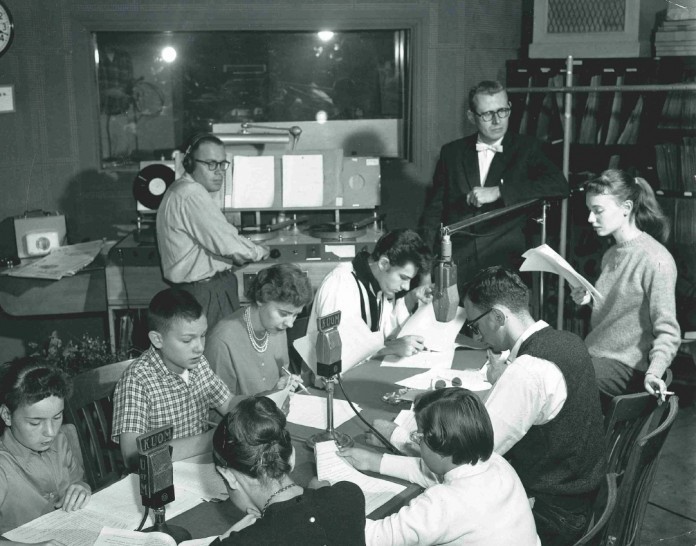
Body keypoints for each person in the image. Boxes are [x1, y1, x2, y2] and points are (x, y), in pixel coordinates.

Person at [374, 267, 605, 545]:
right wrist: (502, 383)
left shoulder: (527, 372)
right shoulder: (568, 341)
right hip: (580, 496)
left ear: (498, 317)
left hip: (552, 516)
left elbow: (468, 456)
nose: (479, 336)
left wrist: (398, 435)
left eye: (475, 325)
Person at [339, 388, 539, 546]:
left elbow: (374, 538)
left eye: (418, 437)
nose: (415, 443)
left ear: (439, 445)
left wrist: (327, 501)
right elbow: (431, 473)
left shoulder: (444, 505)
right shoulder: (495, 463)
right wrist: (375, 461)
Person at [420, 80, 569, 288]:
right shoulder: (451, 153)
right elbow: (433, 215)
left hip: (505, 265)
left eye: (502, 111)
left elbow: (560, 185)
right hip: (458, 264)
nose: (497, 120)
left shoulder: (528, 148)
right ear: (471, 117)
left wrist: (500, 191)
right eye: (487, 114)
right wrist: (425, 269)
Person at [571, 169, 680, 400]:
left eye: (598, 211)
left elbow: (668, 331)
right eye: (590, 210)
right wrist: (590, 300)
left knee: (562, 381)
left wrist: (654, 373)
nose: (591, 219)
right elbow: (622, 312)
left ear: (626, 208)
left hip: (629, 368)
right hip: (597, 358)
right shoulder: (611, 254)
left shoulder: (656, 259)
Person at [209, 396, 366, 545]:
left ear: (228, 476)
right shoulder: (350, 495)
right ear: (291, 457)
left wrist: (227, 538)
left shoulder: (243, 541)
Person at [112, 288, 234, 471]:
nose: (199, 348)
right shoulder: (137, 380)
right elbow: (133, 456)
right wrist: (208, 441)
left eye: (202, 335)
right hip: (160, 479)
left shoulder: (198, 364)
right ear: (157, 340)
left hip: (198, 468)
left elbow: (228, 402)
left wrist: (262, 403)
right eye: (187, 340)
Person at [157, 133, 270, 330]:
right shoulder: (192, 194)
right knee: (219, 355)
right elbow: (230, 246)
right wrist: (260, 251)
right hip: (207, 292)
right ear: (190, 163)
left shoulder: (180, 189)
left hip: (198, 291)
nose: (219, 172)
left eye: (222, 164)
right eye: (210, 164)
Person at [304, 229, 434, 375]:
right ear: (384, 264)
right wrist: (389, 348)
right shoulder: (340, 284)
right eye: (404, 278)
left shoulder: (378, 283)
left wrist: (411, 298)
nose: (406, 286)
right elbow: (334, 356)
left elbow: (385, 333)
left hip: (363, 372)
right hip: (329, 383)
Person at [0, 360, 91, 542]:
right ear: (7, 415)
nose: (50, 432)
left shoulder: (60, 442)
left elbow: (78, 481)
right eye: (35, 422)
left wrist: (82, 488)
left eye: (57, 417)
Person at [205, 264, 313, 396]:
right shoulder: (221, 341)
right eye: (283, 314)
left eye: (295, 315)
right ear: (261, 299)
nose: (290, 324)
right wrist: (271, 395)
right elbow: (221, 408)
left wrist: (284, 384)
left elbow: (283, 374)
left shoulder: (277, 327)